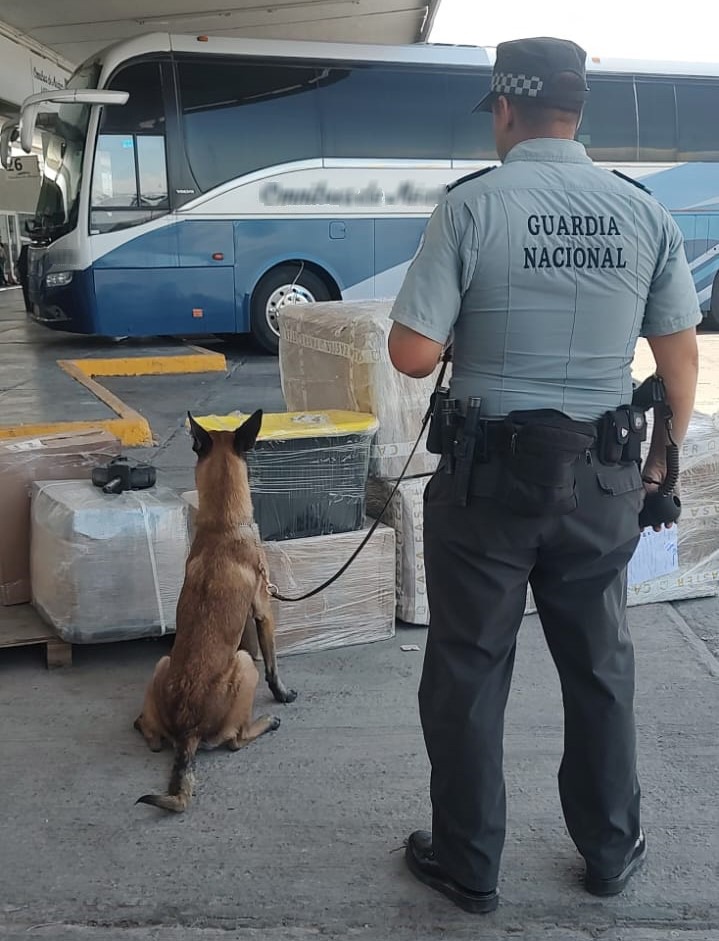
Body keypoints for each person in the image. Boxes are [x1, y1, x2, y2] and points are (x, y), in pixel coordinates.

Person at [388, 36, 700, 914]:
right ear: (576, 111)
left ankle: (468, 862)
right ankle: (609, 849)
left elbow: (410, 352)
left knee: (468, 669)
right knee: (599, 666)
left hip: (489, 484)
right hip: (601, 478)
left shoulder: (472, 207)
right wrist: (658, 460)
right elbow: (678, 363)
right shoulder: (642, 211)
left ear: (503, 111)